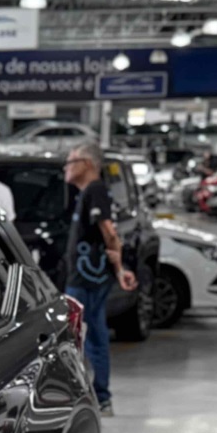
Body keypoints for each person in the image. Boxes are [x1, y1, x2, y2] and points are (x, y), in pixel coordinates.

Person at [64, 142, 137, 417]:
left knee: (89, 336)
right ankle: (95, 396)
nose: (66, 167)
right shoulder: (87, 194)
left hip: (88, 279)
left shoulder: (95, 190)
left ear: (87, 164)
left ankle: (101, 398)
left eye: (71, 161)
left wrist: (119, 268)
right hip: (84, 276)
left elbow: (109, 231)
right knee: (87, 336)